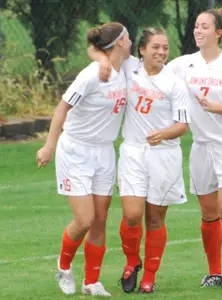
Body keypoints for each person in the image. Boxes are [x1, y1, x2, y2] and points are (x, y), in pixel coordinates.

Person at [88, 27, 191, 294]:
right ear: (142, 50)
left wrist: (165, 133)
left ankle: (151, 276)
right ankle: (132, 261)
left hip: (165, 155)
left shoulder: (174, 84)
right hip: (133, 152)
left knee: (155, 218)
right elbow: (96, 47)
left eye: (165, 48)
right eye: (155, 47)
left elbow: (183, 125)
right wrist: (101, 60)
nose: (161, 52)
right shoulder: (130, 67)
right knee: (132, 215)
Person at [36, 22, 131, 297]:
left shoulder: (125, 66)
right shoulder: (91, 76)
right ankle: (64, 266)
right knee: (85, 219)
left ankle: (92, 282)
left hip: (105, 152)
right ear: (118, 43)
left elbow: (94, 48)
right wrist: (48, 147)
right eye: (127, 37)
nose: (131, 40)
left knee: (100, 219)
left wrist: (102, 55)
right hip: (76, 151)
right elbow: (61, 109)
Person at [165, 7, 222, 289]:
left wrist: (212, 107)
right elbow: (152, 74)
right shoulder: (183, 65)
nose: (198, 31)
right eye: (196, 26)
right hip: (202, 146)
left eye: (204, 27)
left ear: (218, 33)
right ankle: (214, 272)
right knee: (208, 212)